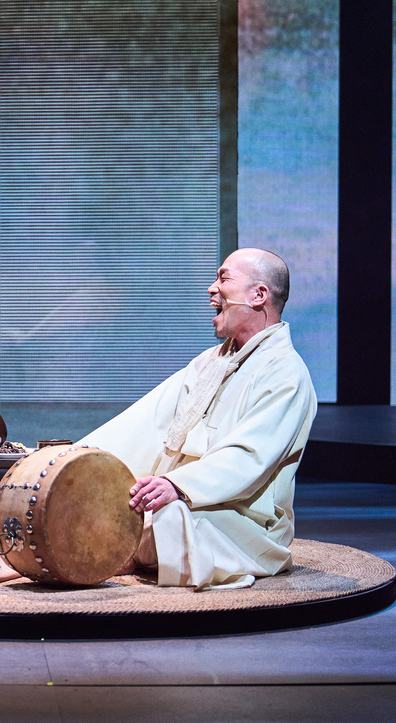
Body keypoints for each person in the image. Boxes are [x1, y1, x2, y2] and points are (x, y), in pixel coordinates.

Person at [82, 248, 317, 590]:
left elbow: (248, 456)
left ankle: (138, 551)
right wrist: (78, 458)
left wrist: (178, 485)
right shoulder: (211, 361)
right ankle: (137, 547)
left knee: (170, 517)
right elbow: (150, 422)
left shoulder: (286, 373)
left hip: (245, 520)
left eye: (224, 278)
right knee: (106, 500)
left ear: (258, 295)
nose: (212, 288)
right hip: (187, 494)